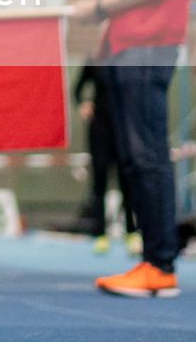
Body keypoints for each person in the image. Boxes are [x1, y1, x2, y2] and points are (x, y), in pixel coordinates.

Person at [70, 0, 196, 299]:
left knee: (147, 155)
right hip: (120, 44)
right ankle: (150, 258)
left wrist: (100, 6)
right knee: (130, 156)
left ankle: (160, 264)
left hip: (149, 41)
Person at [72, 60, 138, 253]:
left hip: (122, 128)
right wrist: (83, 103)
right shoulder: (93, 60)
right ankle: (100, 234)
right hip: (99, 129)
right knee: (99, 182)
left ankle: (131, 232)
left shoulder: (127, 59)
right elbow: (77, 90)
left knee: (126, 182)